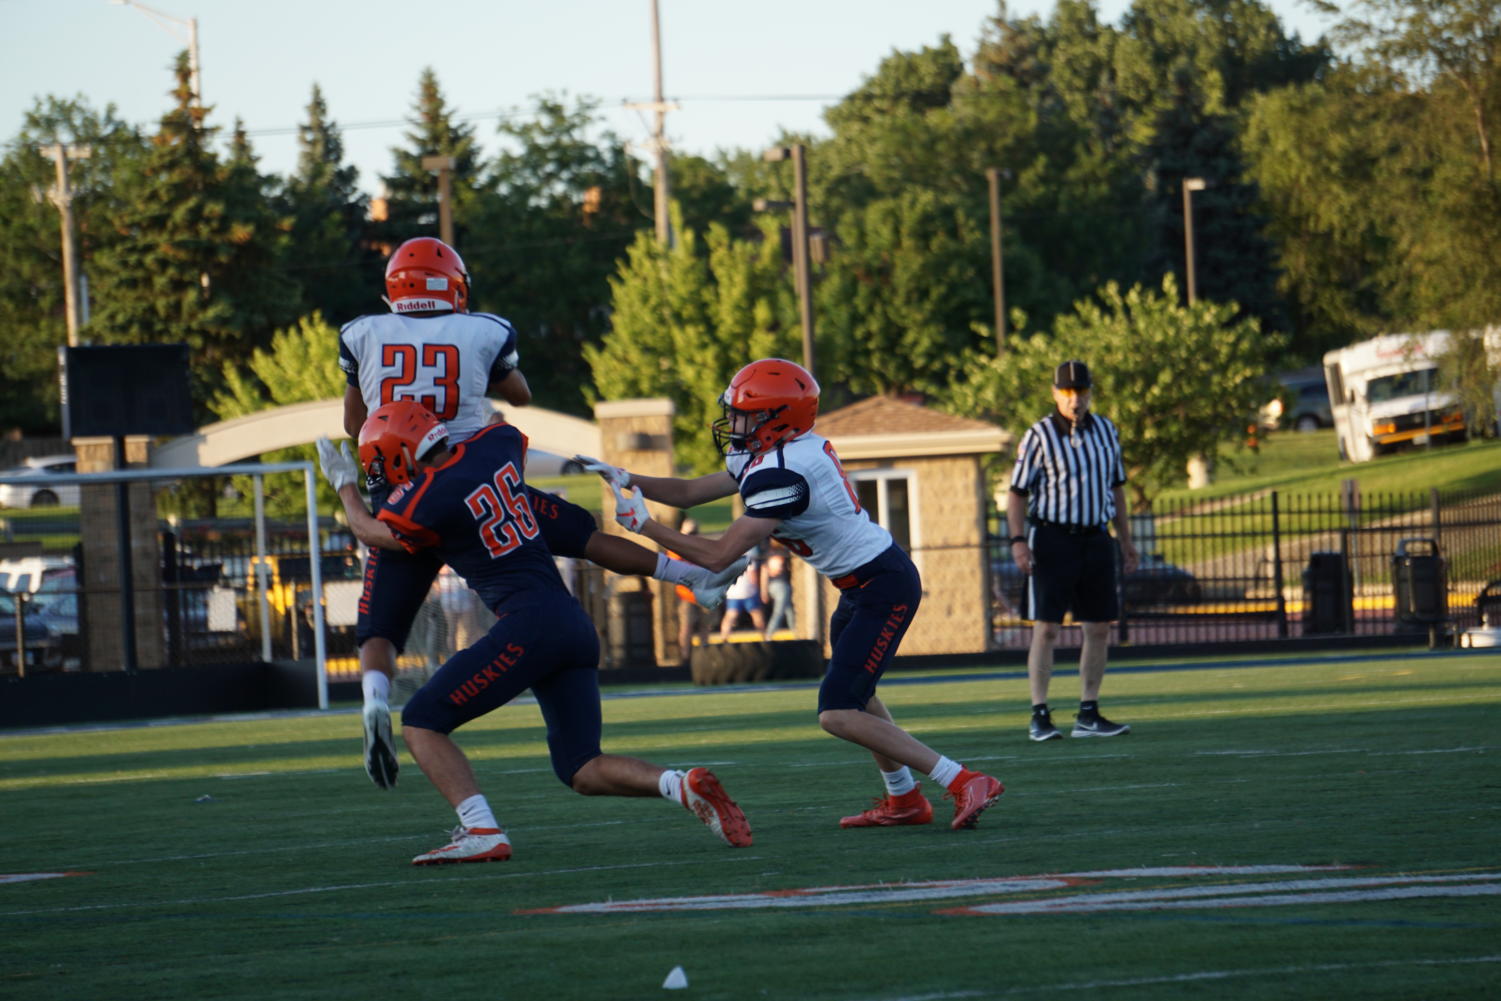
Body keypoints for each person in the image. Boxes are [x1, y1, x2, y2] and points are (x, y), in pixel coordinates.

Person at [338, 237, 746, 790]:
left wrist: (346, 487)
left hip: (403, 485)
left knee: (381, 619)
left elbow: (351, 425)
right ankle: (689, 575)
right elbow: (520, 396)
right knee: (575, 530)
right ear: (454, 285)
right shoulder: (483, 332)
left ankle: (374, 698)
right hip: (477, 469)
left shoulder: (363, 333)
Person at [577, 358, 1004, 831]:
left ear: (776, 419)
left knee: (836, 713)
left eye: (743, 414)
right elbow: (691, 491)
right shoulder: (774, 453)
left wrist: (646, 527)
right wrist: (627, 477)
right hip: (859, 584)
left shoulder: (784, 473)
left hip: (883, 585)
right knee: (856, 699)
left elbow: (719, 556)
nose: (733, 423)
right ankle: (903, 799)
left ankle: (963, 779)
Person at [315, 402, 752, 864]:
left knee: (422, 721)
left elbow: (374, 533)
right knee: (581, 767)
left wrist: (345, 485)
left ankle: (480, 828)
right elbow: (501, 429)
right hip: (571, 623)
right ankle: (680, 785)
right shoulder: (494, 448)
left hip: (530, 625)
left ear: (401, 453)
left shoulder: (428, 498)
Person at [1006, 359, 1140, 742]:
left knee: (1098, 627)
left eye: (1080, 391)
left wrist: (1127, 541)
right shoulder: (1039, 435)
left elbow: (1117, 489)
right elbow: (1016, 494)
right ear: (1055, 394)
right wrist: (1018, 542)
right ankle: (1039, 713)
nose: (1074, 399)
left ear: (1090, 392)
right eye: (1066, 392)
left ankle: (1088, 711)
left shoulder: (1107, 432)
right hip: (1052, 538)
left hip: (1096, 537)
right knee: (1046, 628)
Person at [672, 519, 714, 666]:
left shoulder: (703, 546)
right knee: (686, 627)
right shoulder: (675, 548)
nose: (693, 535)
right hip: (686, 594)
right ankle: (685, 659)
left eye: (695, 531)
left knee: (706, 626)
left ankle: (704, 658)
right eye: (690, 532)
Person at [718, 548, 766, 640]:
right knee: (756, 614)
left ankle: (724, 638)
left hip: (733, 591)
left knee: (730, 615)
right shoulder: (750, 552)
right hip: (748, 590)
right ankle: (764, 637)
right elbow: (752, 575)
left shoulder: (727, 553)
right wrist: (759, 588)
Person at [761, 542, 795, 639]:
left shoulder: (768, 554)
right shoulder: (782, 554)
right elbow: (779, 567)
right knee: (778, 612)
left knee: (789, 610)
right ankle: (769, 635)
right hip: (781, 586)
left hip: (772, 586)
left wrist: (764, 591)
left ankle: (795, 631)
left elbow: (764, 572)